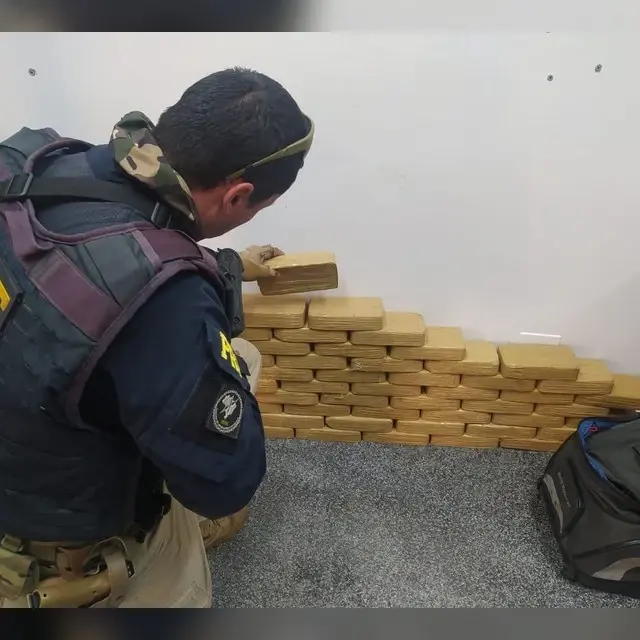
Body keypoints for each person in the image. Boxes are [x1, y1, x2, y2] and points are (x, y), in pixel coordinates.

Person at [0, 67, 313, 608]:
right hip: (48, 553)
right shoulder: (168, 311)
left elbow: (84, 250)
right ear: (238, 195)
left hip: (25, 424)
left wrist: (225, 267)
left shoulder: (32, 162)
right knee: (236, 373)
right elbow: (225, 483)